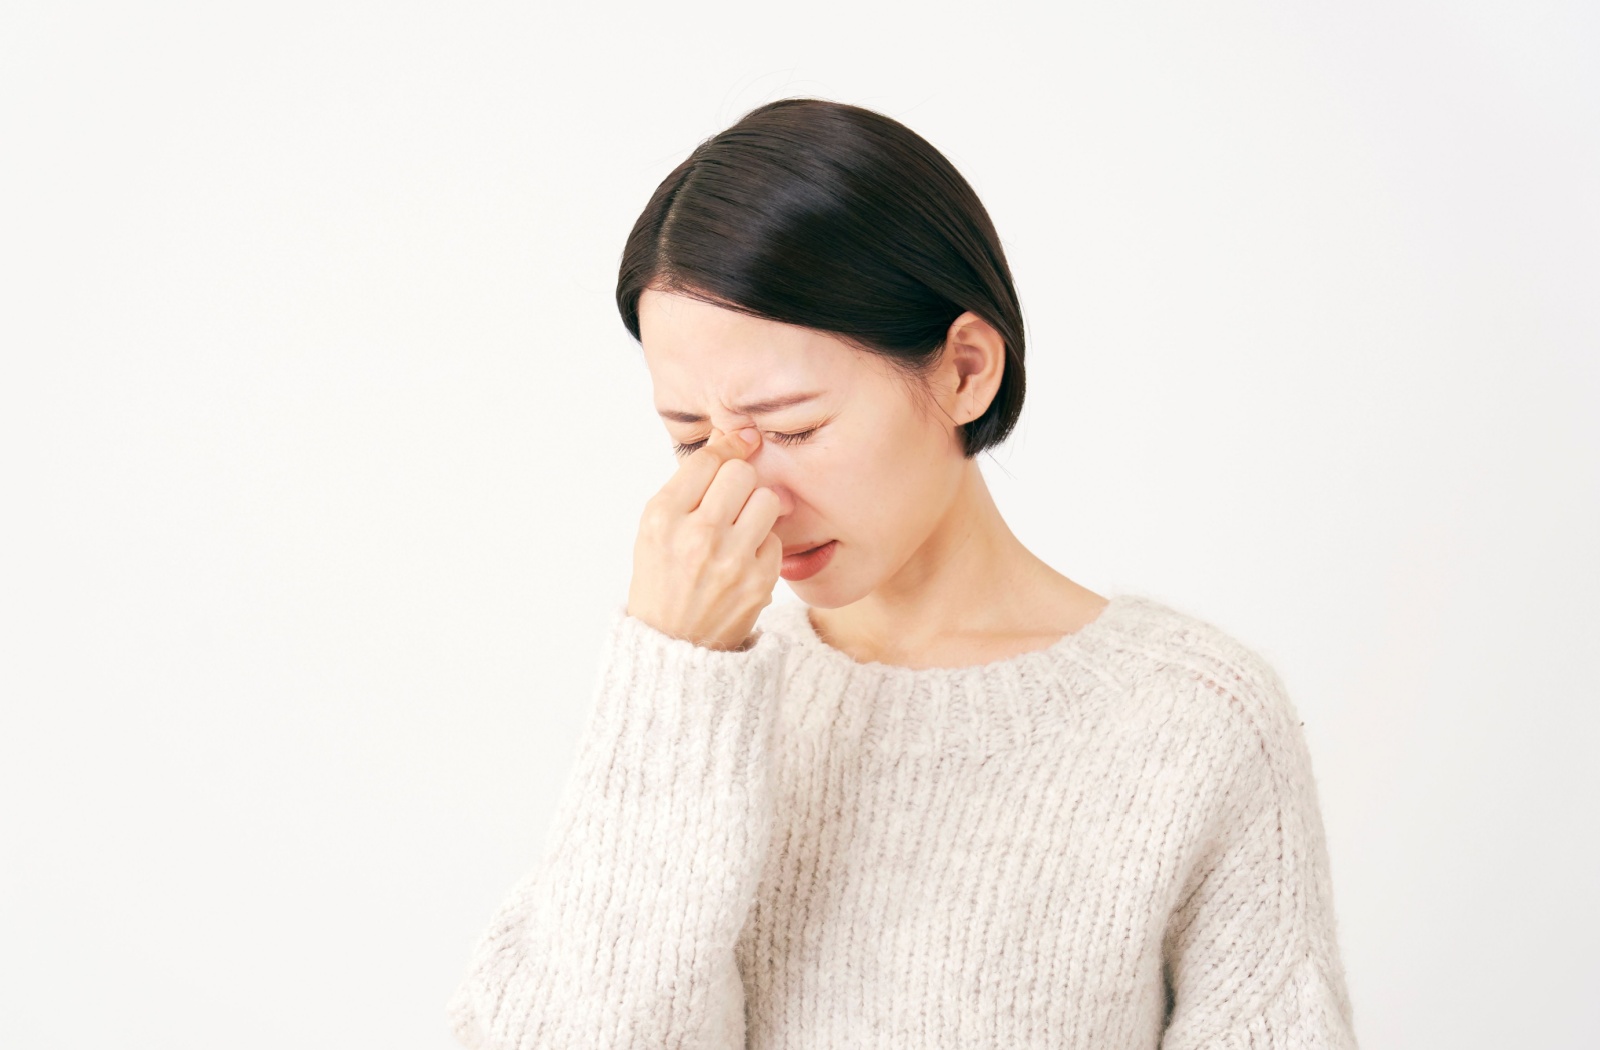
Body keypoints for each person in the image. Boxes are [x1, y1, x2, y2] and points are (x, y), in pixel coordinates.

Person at [446, 98, 1358, 1049]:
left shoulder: (1192, 723)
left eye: (793, 427)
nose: (739, 490)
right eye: (688, 439)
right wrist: (673, 674)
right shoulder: (688, 710)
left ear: (966, 368)